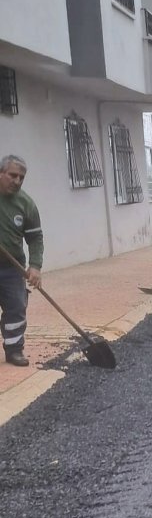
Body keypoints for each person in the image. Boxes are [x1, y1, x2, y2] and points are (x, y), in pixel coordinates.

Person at [0, 155, 43, 367]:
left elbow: (35, 238)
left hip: (12, 267)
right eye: (12, 175)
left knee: (16, 308)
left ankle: (14, 350)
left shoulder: (26, 204)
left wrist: (35, 266)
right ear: (1, 173)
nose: (17, 181)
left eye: (21, 177)